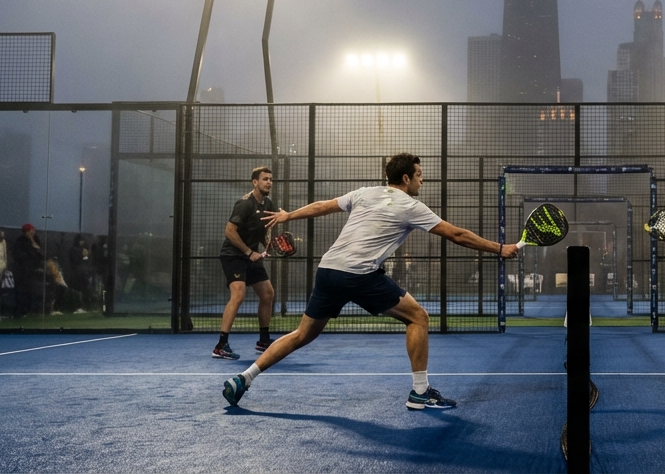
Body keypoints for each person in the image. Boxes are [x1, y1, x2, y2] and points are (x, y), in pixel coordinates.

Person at [221, 153, 518, 410]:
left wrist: (288, 216)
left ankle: (244, 378)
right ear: (405, 177)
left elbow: (323, 205)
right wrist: (500, 249)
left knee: (302, 334)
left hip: (328, 270)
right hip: (359, 274)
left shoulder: (365, 193)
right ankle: (420, 392)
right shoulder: (410, 206)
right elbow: (457, 235)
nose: (421, 181)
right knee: (418, 317)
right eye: (419, 175)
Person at [215, 166, 279, 360]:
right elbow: (229, 231)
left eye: (270, 179)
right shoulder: (244, 204)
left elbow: (265, 231)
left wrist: (268, 246)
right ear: (255, 182)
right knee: (239, 293)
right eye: (265, 179)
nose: (269, 182)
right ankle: (221, 345)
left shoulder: (269, 204)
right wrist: (249, 252)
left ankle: (263, 341)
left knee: (267, 293)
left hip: (251, 255)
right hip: (233, 255)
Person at [11, 223, 46, 318]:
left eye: (33, 231)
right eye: (30, 231)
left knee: (32, 290)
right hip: (22, 270)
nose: (32, 233)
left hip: (33, 270)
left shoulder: (36, 240)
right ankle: (19, 311)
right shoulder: (20, 241)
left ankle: (30, 310)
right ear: (26, 232)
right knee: (21, 290)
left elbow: (41, 253)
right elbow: (18, 255)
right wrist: (31, 254)